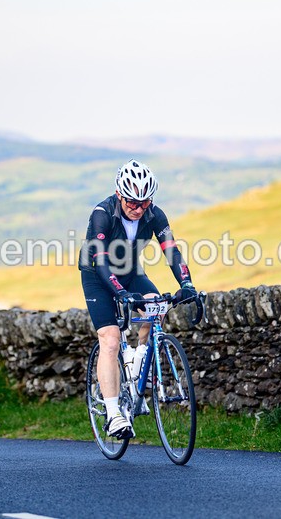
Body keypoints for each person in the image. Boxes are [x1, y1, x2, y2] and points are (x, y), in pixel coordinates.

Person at [79, 159, 197, 439]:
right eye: (132, 202)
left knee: (155, 306)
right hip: (98, 274)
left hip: (131, 271)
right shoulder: (102, 214)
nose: (138, 208)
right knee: (110, 339)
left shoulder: (155, 215)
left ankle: (137, 367)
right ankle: (114, 414)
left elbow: (172, 252)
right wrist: (119, 293)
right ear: (120, 195)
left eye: (145, 202)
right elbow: (102, 261)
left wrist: (187, 283)